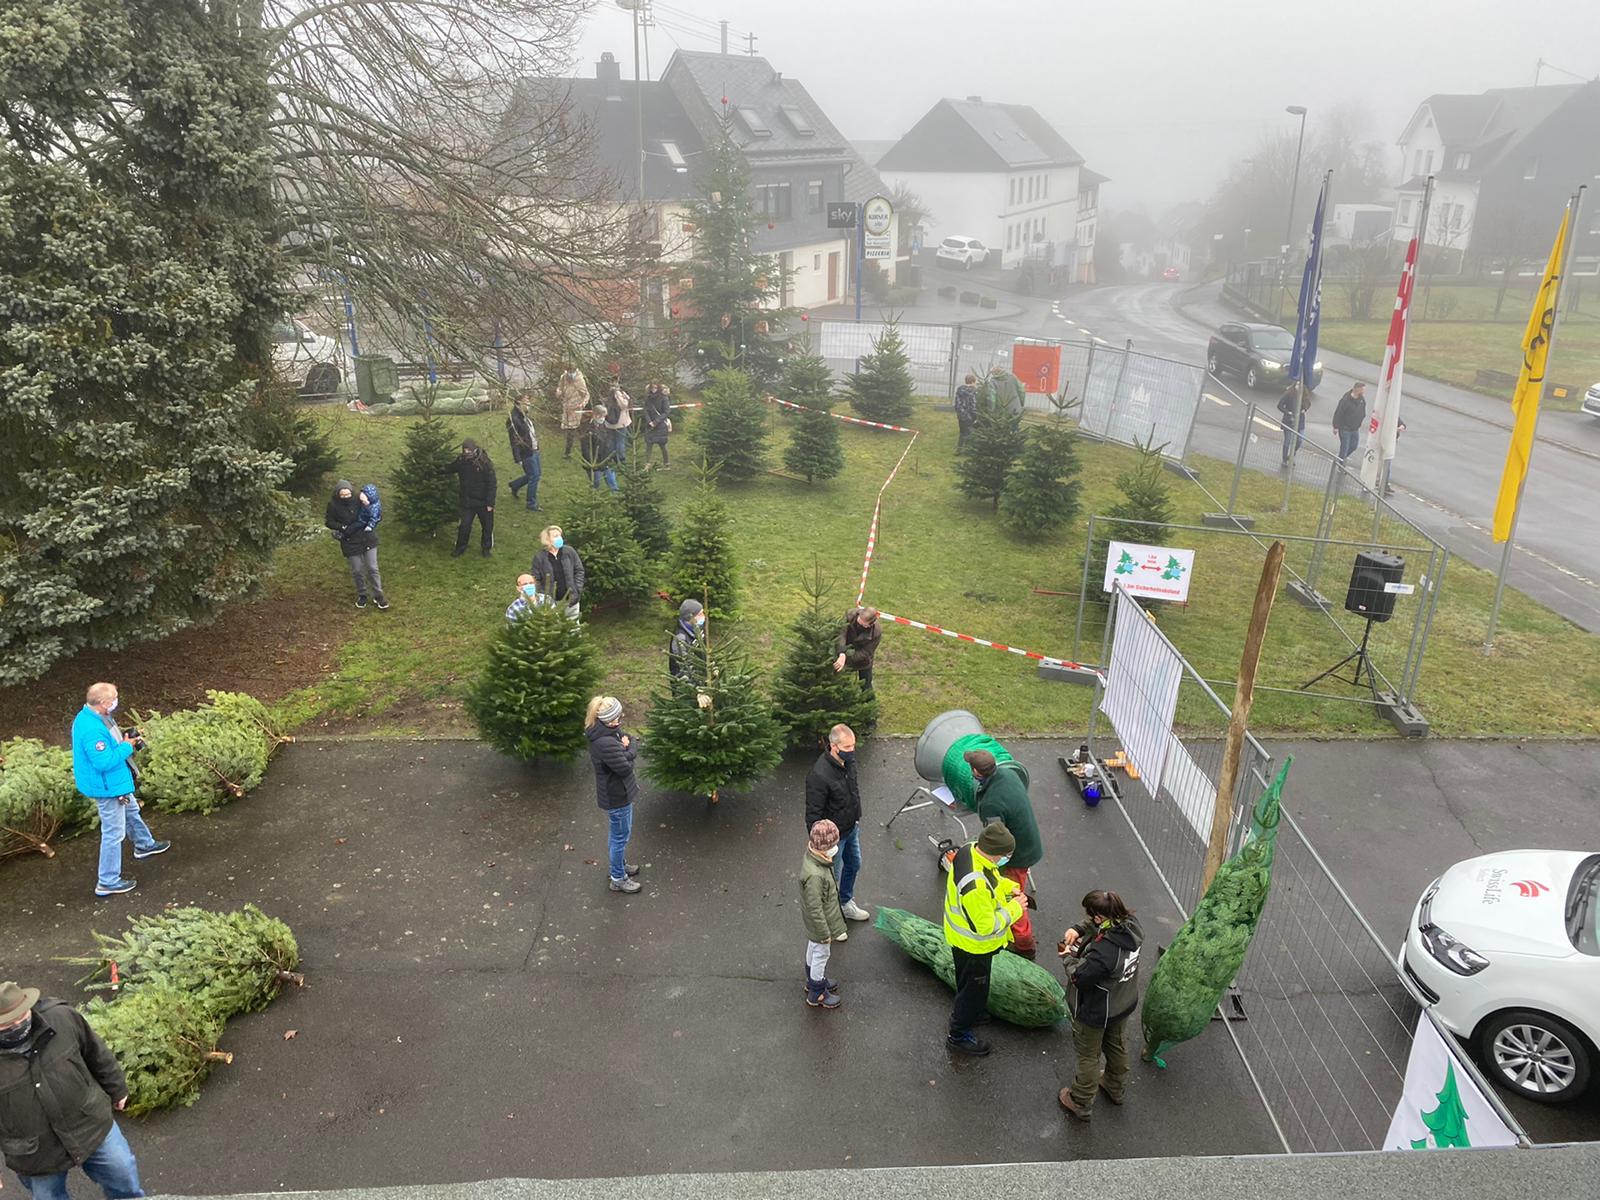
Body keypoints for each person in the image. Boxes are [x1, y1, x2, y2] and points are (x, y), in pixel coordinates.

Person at [0, 980, 143, 1200]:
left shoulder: (62, 1018)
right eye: (8, 1024)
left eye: (22, 1015)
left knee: (123, 1176)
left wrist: (117, 1089)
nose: (18, 1024)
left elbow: (96, 1052)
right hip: (35, 1154)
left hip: (89, 1124)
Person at [70, 683, 170, 899]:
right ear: (104, 703)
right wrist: (128, 746)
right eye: (114, 698)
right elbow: (104, 762)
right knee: (114, 833)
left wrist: (125, 739)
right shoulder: (91, 729)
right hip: (108, 787)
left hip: (116, 782)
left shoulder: (97, 716)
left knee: (132, 811)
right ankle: (107, 881)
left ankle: (144, 845)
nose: (117, 701)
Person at [1057, 890, 1145, 1122]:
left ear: (1099, 917)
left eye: (1091, 915)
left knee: (1088, 1056)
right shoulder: (1131, 926)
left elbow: (1080, 977)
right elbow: (1100, 925)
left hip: (1096, 1010)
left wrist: (1067, 956)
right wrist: (1079, 928)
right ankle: (1115, 1087)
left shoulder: (1104, 953)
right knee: (1116, 1044)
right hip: (1122, 1002)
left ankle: (1081, 1102)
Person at [943, 821, 1024, 1056]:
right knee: (974, 990)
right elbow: (986, 925)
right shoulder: (975, 885)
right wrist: (1015, 908)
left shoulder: (971, 849)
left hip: (959, 937)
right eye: (1006, 854)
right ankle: (958, 1036)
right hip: (974, 946)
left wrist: (1009, 888)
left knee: (966, 982)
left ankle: (972, 1012)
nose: (1007, 858)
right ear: (996, 852)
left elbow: (992, 880)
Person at [962, 749, 1043, 957]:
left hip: (1018, 855)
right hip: (1028, 843)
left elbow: (995, 840)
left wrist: (984, 864)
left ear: (976, 771)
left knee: (1013, 897)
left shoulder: (991, 804)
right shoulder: (1008, 774)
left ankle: (1025, 946)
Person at [805, 724, 869, 927]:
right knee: (831, 878)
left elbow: (853, 789)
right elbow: (813, 814)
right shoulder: (819, 775)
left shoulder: (848, 763)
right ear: (834, 746)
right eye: (847, 747)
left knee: (854, 864)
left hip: (851, 827)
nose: (852, 751)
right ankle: (829, 918)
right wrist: (821, 847)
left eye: (853, 746)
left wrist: (856, 815)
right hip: (835, 838)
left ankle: (845, 902)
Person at [584, 695, 642, 894]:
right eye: (617, 717)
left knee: (617, 835)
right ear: (607, 719)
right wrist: (630, 749)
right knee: (620, 838)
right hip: (617, 796)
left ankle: (619, 865)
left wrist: (626, 746)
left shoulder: (609, 730)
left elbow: (628, 739)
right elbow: (625, 767)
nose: (620, 720)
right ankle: (618, 878)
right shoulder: (604, 742)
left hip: (620, 792)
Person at [799, 819, 846, 1010]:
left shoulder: (816, 860)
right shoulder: (816, 875)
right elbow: (814, 907)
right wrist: (825, 933)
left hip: (817, 924)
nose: (835, 848)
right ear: (825, 847)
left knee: (813, 948)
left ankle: (813, 980)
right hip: (821, 924)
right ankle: (817, 992)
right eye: (833, 844)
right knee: (821, 953)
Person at [324, 480, 385, 610]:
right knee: (357, 570)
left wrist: (368, 506)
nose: (346, 497)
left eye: (348, 494)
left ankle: (378, 596)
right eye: (343, 495)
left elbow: (375, 508)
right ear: (337, 494)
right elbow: (329, 522)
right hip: (350, 541)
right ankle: (362, 594)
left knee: (373, 568)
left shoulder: (359, 499)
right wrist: (342, 527)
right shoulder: (333, 505)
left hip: (367, 538)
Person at [439, 438, 496, 557]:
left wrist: (490, 503)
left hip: (483, 502)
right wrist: (435, 470)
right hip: (467, 502)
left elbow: (492, 483)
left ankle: (486, 549)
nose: (467, 453)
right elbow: (450, 468)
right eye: (465, 451)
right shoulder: (461, 461)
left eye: (469, 451)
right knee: (464, 526)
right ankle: (460, 548)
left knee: (487, 526)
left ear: (474, 450)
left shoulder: (484, 462)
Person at [532, 525, 585, 620]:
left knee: (573, 628)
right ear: (547, 539)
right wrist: (542, 597)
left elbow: (579, 571)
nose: (559, 538)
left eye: (560, 535)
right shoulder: (540, 557)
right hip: (550, 602)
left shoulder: (569, 551)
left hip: (571, 599)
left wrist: (577, 589)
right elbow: (536, 579)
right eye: (555, 536)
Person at [832, 606, 881, 694]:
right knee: (838, 679)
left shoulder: (876, 633)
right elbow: (841, 634)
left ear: (871, 624)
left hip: (863, 661)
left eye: (863, 625)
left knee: (866, 685)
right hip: (843, 651)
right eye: (859, 621)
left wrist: (845, 659)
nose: (860, 625)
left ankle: (868, 703)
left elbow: (865, 652)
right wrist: (842, 653)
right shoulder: (850, 615)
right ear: (859, 614)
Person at [506, 392, 541, 511]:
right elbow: (514, 440)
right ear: (518, 403)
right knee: (534, 476)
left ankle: (514, 485)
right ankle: (531, 503)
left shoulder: (524, 415)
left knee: (535, 474)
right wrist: (518, 458)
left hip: (534, 450)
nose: (529, 404)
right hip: (526, 452)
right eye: (526, 402)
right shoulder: (514, 419)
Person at [579, 407, 618, 492]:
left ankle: (616, 499)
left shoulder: (606, 427)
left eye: (604, 416)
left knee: (612, 482)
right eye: (601, 416)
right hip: (594, 462)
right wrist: (592, 463)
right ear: (595, 415)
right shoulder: (587, 429)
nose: (603, 419)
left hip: (606, 460)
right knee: (595, 483)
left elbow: (610, 443)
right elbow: (585, 449)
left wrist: (612, 457)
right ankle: (594, 498)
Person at [557, 365, 590, 458]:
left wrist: (582, 404)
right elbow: (559, 387)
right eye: (569, 371)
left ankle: (585, 451)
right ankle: (568, 452)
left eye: (572, 371)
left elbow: (586, 395)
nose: (570, 373)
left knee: (579, 431)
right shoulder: (563, 377)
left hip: (577, 409)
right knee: (570, 432)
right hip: (567, 408)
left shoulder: (580, 380)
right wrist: (558, 392)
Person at [668, 599, 706, 680]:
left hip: (700, 674)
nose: (703, 616)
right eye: (700, 614)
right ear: (690, 617)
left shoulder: (698, 628)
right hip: (686, 684)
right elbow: (683, 666)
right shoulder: (680, 638)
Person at [1276, 385, 1312, 467]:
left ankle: (1292, 454)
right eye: (1297, 384)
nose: (1298, 386)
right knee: (1287, 441)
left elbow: (1308, 403)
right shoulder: (1289, 394)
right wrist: (1288, 412)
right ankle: (1285, 459)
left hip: (1300, 421)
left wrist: (1304, 409)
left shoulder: (1304, 394)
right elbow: (1280, 405)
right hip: (1289, 421)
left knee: (1300, 440)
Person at [1331, 382, 1366, 462]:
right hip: (1345, 429)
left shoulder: (1361, 399)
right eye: (1363, 390)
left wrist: (1361, 419)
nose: (1364, 392)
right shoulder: (1345, 400)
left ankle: (1341, 457)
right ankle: (1341, 464)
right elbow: (1338, 413)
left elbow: (1362, 410)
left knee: (1354, 446)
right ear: (1358, 389)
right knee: (1345, 447)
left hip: (1355, 429)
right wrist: (1335, 426)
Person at [602, 375, 632, 462]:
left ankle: (611, 458)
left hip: (609, 421)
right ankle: (621, 459)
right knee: (620, 441)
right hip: (620, 422)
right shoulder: (617, 393)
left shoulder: (605, 392)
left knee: (611, 440)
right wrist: (625, 397)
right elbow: (624, 405)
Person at [642, 382, 672, 469]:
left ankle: (666, 463)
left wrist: (656, 421)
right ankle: (647, 464)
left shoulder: (664, 398)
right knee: (648, 444)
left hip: (661, 424)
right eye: (652, 388)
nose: (653, 389)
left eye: (655, 388)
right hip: (650, 424)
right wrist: (649, 421)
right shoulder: (648, 398)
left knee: (662, 444)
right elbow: (645, 410)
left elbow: (666, 412)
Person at [954, 373, 979, 452]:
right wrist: (976, 416)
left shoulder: (960, 389)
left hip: (961, 415)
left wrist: (960, 412)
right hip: (970, 416)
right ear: (972, 382)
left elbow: (957, 403)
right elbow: (973, 405)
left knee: (962, 432)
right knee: (969, 433)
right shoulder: (973, 391)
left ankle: (959, 449)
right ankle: (968, 450)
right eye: (975, 382)